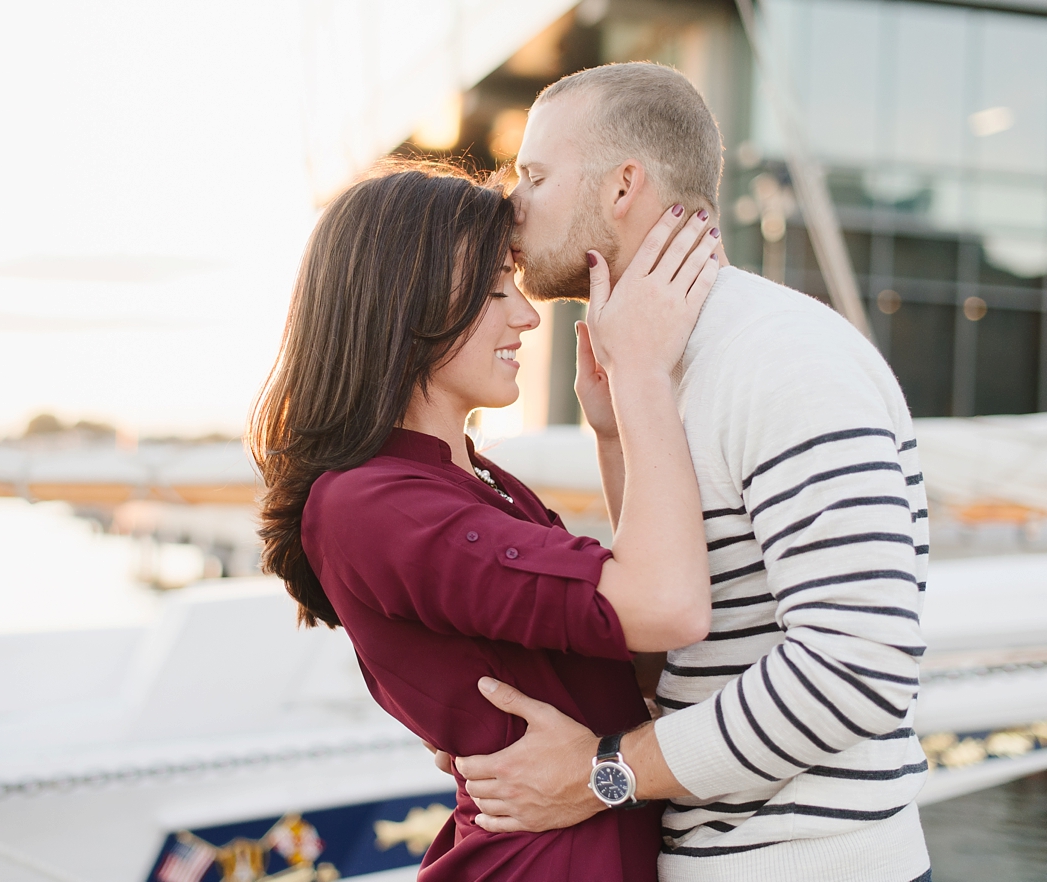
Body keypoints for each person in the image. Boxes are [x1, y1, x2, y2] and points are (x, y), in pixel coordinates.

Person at [449, 63, 932, 882]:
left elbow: (857, 667)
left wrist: (601, 774)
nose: (511, 204)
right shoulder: (661, 364)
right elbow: (680, 635)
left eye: (534, 175)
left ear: (623, 186)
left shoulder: (780, 357)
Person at [248, 162, 721, 881]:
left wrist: (615, 437)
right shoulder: (374, 504)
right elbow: (672, 607)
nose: (527, 315)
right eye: (495, 288)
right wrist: (641, 377)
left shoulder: (475, 483)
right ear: (404, 301)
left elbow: (646, 659)